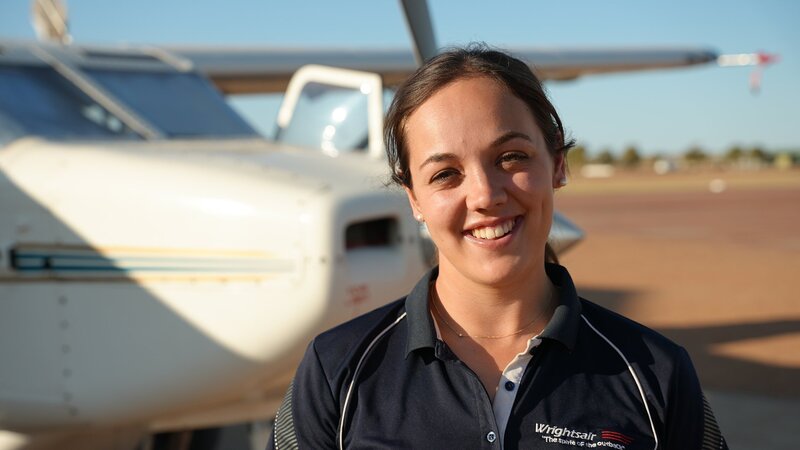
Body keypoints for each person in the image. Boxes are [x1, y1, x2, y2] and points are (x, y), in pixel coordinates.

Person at [268, 45, 727, 450]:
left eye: (511, 157)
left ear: (558, 166)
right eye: (445, 174)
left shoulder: (658, 374)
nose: (486, 196)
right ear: (414, 199)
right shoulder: (335, 372)